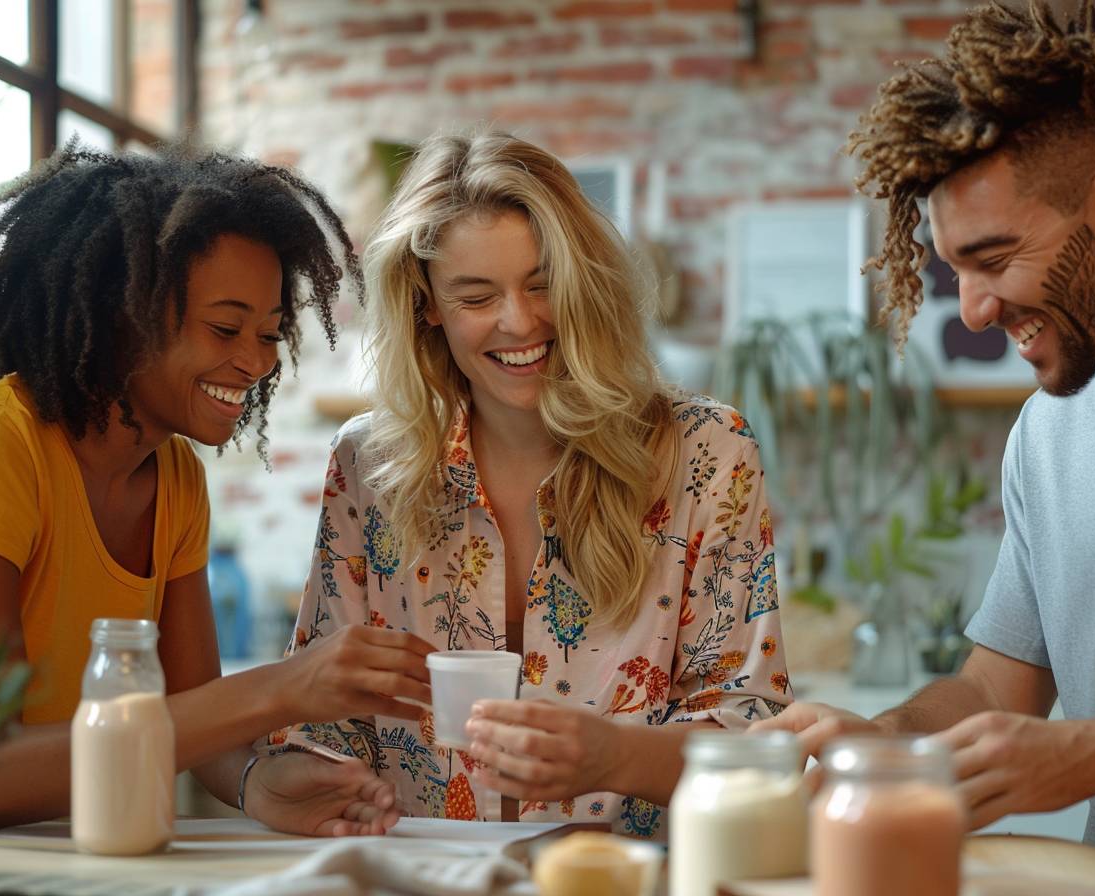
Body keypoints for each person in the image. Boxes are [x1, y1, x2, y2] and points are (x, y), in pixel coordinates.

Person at [755, 0, 1095, 857]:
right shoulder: (1047, 435)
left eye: (995, 259)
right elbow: (995, 688)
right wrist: (887, 738)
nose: (974, 312)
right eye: (955, 272)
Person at [242, 131, 793, 839]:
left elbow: (758, 738)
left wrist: (616, 756)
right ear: (427, 305)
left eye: (543, 283)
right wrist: (289, 774)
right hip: (418, 881)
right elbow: (327, 727)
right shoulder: (367, 466)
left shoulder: (707, 453)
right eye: (476, 295)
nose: (521, 321)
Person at [0, 143, 407, 834]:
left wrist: (260, 781)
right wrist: (281, 689)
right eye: (226, 328)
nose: (257, 361)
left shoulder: (174, 478)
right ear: (123, 315)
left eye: (268, 333)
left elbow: (196, 716)